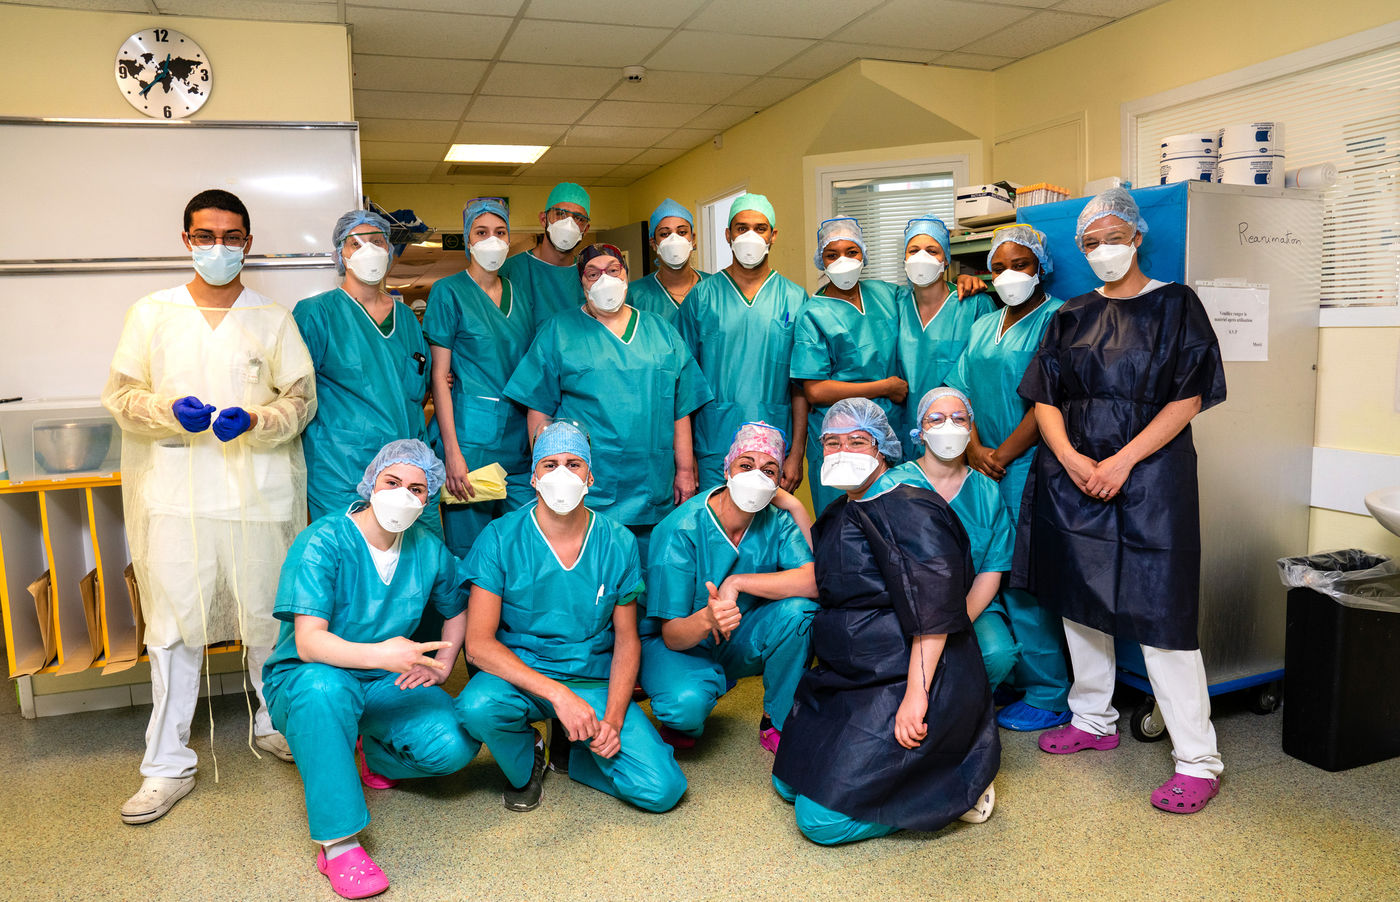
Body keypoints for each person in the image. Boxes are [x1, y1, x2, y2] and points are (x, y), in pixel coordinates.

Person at [102, 188, 316, 825]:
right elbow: (122, 397)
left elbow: (301, 400)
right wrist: (168, 410)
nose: (218, 247)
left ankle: (277, 723)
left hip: (259, 494)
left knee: (270, 619)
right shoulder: (152, 313)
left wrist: (257, 418)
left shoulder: (272, 318)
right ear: (186, 239)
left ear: (247, 243)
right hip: (177, 493)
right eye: (205, 235)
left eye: (230, 236)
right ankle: (166, 765)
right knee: (173, 629)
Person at [1019, 187, 1227, 814]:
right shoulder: (1070, 314)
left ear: (1137, 237)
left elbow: (1189, 397)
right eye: (1091, 242)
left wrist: (1122, 460)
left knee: (1163, 612)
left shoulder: (1176, 305)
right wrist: (1073, 459)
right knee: (1079, 600)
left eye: (1114, 237)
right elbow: (1046, 399)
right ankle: (1092, 719)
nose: (1104, 249)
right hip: (1075, 475)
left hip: (1152, 478)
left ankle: (1197, 760)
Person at [772, 399, 999, 845]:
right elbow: (825, 574)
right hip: (852, 677)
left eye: (857, 441)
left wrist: (916, 695)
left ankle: (954, 795)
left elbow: (933, 611)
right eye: (832, 442)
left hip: (908, 677)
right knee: (788, 782)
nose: (843, 452)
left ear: (882, 449)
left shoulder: (911, 509)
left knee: (820, 822)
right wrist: (791, 510)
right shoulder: (844, 509)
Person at [262, 440, 478, 900]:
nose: (403, 495)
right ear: (370, 484)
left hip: (384, 681)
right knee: (325, 690)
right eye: (392, 482)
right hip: (309, 678)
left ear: (428, 497)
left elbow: (456, 607)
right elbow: (309, 642)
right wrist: (383, 655)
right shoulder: (323, 541)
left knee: (454, 744)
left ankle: (374, 755)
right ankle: (338, 844)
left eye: (417, 489)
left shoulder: (427, 548)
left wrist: (444, 666)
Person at [454, 421, 687, 814]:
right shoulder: (500, 537)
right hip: (522, 676)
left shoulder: (617, 542)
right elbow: (477, 645)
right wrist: (559, 696)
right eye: (550, 464)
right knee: (477, 707)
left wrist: (612, 720)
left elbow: (627, 640)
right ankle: (529, 756)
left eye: (573, 464)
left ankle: (573, 749)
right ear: (533, 478)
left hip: (589, 678)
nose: (561, 473)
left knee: (661, 789)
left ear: (590, 477)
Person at [505, 244, 712, 562]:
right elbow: (539, 410)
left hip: (652, 481)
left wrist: (685, 470)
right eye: (593, 273)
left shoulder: (660, 330)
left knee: (649, 571)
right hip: (588, 483)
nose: (605, 279)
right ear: (582, 282)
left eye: (613, 270)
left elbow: (680, 406)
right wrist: (546, 473)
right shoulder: (559, 331)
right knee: (594, 569)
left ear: (626, 275)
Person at [946, 224, 1073, 732]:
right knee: (987, 571)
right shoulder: (984, 324)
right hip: (981, 463)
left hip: (1030, 466)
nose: (1008, 276)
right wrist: (974, 448)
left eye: (1020, 265)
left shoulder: (1058, 318)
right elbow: (960, 391)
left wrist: (1001, 454)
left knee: (1023, 581)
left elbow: (1049, 399)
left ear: (1041, 267)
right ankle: (1010, 676)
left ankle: (1049, 692)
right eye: (998, 267)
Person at [640, 422, 818, 754]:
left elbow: (814, 582)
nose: (756, 476)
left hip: (737, 634)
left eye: (769, 470)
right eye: (745, 465)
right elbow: (672, 635)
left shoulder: (776, 522)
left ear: (778, 482)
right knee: (684, 708)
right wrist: (707, 618)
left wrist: (737, 582)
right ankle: (693, 691)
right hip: (679, 644)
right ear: (727, 470)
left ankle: (777, 720)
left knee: (802, 612)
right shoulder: (681, 528)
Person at [870, 387, 1019, 697]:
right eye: (936, 419)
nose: (948, 426)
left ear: (970, 429)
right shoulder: (893, 484)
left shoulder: (987, 491)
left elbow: (992, 569)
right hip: (903, 603)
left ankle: (962, 710)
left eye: (959, 418)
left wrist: (956, 621)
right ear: (920, 432)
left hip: (969, 602)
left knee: (996, 655)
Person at [295, 210, 434, 526]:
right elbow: (297, 396)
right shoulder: (316, 314)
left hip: (407, 471)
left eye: (376, 241)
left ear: (390, 250)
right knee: (349, 551)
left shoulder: (407, 319)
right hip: (342, 472)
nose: (368, 250)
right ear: (340, 255)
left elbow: (418, 390)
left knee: (416, 553)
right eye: (355, 244)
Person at [675, 193, 809, 491]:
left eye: (760, 228)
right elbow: (682, 384)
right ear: (728, 235)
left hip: (774, 443)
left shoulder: (794, 298)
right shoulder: (702, 297)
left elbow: (801, 384)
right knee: (715, 516)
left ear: (773, 235)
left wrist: (797, 454)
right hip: (713, 442)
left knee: (768, 519)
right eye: (741, 228)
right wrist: (686, 458)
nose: (751, 236)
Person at [425, 197, 534, 558]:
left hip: (518, 443)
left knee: (520, 547)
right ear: (467, 240)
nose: (492, 240)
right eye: (482, 232)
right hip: (469, 442)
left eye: (500, 232)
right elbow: (440, 376)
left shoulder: (520, 295)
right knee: (469, 551)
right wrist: (452, 455)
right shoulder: (448, 292)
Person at [792, 216, 903, 515]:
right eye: (832, 254)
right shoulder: (812, 313)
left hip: (885, 427)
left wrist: (963, 281)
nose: (843, 261)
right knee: (840, 519)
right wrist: (884, 387)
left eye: (851, 252)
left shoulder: (886, 295)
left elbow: (928, 296)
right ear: (821, 261)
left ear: (863, 254)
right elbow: (815, 390)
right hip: (837, 435)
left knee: (890, 517)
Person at [893, 215, 996, 443]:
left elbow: (985, 377)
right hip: (906, 428)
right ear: (905, 259)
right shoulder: (895, 304)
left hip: (958, 428)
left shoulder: (975, 304)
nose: (922, 257)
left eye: (932, 251)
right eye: (913, 250)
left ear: (946, 260)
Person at [498, 181, 590, 326]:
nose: (568, 224)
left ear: (586, 229)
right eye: (560, 214)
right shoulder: (510, 271)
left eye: (578, 218)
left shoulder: (590, 275)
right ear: (543, 219)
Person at [628, 198, 710, 324]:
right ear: (653, 243)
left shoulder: (714, 287)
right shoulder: (634, 295)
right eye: (665, 234)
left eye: (682, 232)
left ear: (693, 239)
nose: (674, 240)